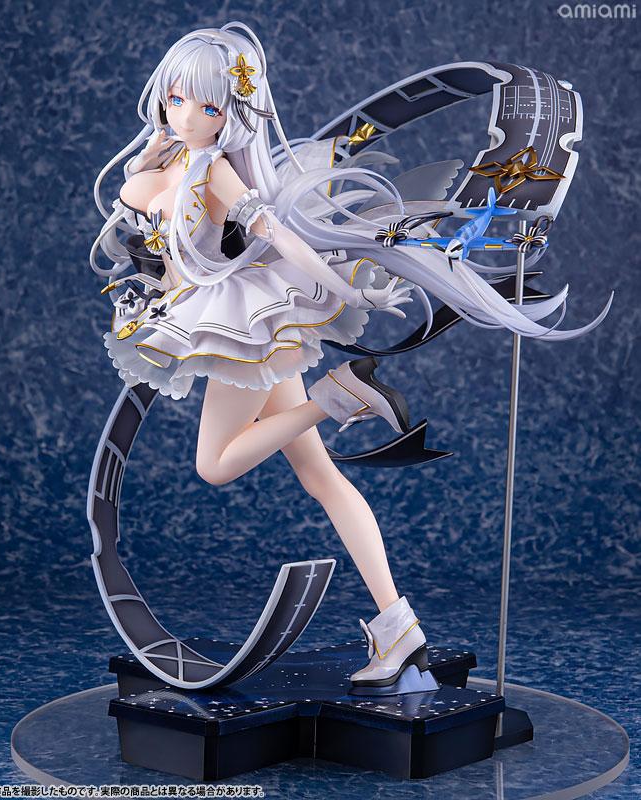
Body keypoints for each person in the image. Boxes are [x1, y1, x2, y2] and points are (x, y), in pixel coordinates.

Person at [90, 22, 611, 692]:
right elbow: (147, 234)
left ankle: (333, 397)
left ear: (233, 114)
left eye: (208, 105)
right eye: (176, 98)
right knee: (322, 477)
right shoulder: (162, 155)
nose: (187, 115)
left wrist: (342, 290)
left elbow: (278, 234)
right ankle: (399, 628)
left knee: (215, 465)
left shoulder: (214, 170)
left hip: (237, 324)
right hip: (199, 311)